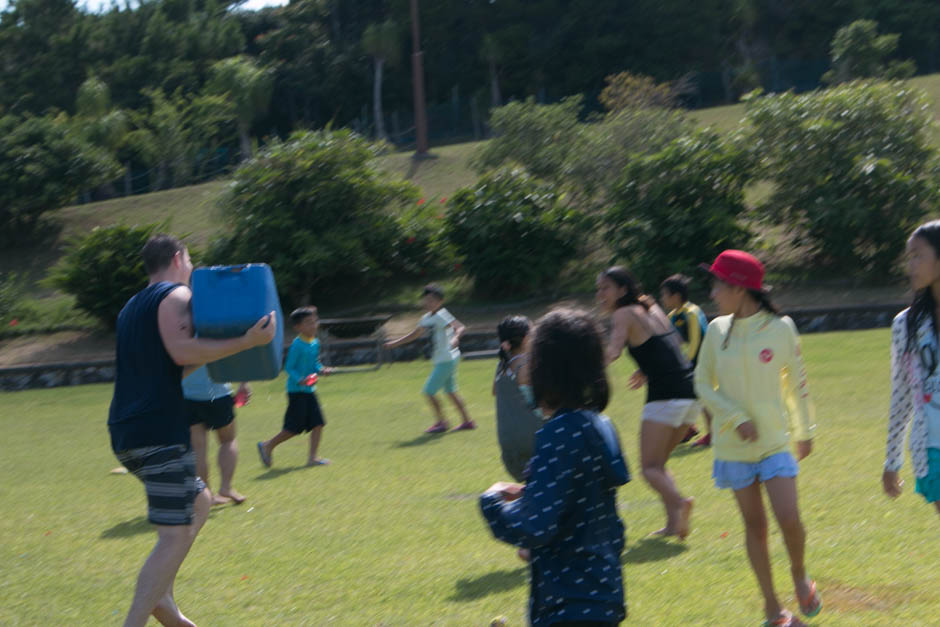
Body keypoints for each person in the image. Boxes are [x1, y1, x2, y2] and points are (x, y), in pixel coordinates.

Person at [108, 234, 276, 627]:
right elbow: (184, 351)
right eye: (191, 260)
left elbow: (175, 366)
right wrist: (246, 341)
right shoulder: (174, 297)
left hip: (129, 430)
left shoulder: (132, 306)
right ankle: (137, 618)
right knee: (173, 534)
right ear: (180, 258)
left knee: (200, 500)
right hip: (157, 430)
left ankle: (163, 601)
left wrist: (228, 350)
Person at [480, 308, 630, 626]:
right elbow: (600, 518)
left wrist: (491, 501)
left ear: (547, 368)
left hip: (567, 604)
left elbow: (533, 525)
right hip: (604, 593)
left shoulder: (557, 432)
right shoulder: (600, 425)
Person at [694, 249, 820, 627]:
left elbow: (797, 383)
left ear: (739, 288)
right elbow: (702, 382)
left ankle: (799, 574)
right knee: (755, 526)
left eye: (718, 284)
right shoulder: (716, 331)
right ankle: (772, 608)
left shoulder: (781, 328)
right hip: (733, 449)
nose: (713, 292)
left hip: (774, 442)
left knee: (789, 517)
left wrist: (805, 430)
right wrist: (733, 419)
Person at [598, 266, 695, 538]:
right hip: (689, 392)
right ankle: (673, 525)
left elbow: (614, 351)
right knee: (659, 465)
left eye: (605, 288)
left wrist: (585, 369)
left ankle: (680, 503)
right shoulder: (650, 307)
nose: (599, 295)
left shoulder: (623, 313)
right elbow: (671, 341)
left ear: (622, 290)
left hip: (665, 394)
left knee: (649, 468)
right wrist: (645, 368)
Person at [884, 220, 940, 517]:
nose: (911, 265)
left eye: (918, 255)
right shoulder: (905, 324)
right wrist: (892, 461)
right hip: (932, 447)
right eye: (909, 257)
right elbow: (902, 394)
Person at [384, 284, 475, 433]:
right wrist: (394, 343)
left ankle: (442, 422)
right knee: (451, 391)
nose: (427, 303)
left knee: (429, 391)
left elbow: (460, 327)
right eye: (426, 300)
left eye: (431, 300)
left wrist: (456, 338)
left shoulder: (443, 314)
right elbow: (415, 334)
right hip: (443, 359)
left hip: (447, 358)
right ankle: (467, 422)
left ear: (440, 302)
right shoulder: (426, 318)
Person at [257, 306, 334, 468]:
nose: (313, 325)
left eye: (314, 322)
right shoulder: (297, 345)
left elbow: (315, 364)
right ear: (298, 327)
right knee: (293, 429)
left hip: (309, 390)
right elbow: (289, 367)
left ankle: (312, 458)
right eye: (308, 323)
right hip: (296, 392)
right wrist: (300, 379)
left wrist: (322, 369)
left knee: (318, 423)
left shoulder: (315, 343)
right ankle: (267, 445)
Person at [183, 365, 250, 505]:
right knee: (228, 440)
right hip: (219, 393)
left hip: (187, 395)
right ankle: (226, 487)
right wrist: (244, 384)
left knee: (198, 449)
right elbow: (241, 353)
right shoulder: (220, 340)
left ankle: (206, 496)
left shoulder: (184, 341)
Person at [660, 273, 713, 447]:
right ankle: (689, 427)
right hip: (690, 363)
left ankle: (713, 434)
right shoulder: (673, 316)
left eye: (664, 295)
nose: (662, 298)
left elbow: (695, 343)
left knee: (703, 398)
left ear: (675, 296)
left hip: (705, 360)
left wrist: (684, 364)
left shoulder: (691, 312)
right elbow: (670, 341)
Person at [492, 315, 542, 482]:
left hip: (507, 439)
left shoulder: (502, 365)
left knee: (533, 486)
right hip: (533, 436)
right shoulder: (526, 364)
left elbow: (495, 391)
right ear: (527, 338)